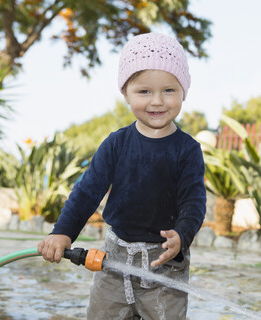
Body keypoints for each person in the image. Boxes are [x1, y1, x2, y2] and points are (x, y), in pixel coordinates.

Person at [37, 32, 207, 320]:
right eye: (144, 91)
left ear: (183, 92)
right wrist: (63, 232)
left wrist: (182, 234)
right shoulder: (116, 143)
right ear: (126, 93)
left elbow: (194, 201)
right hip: (115, 260)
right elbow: (87, 191)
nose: (157, 101)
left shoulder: (187, 150)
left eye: (169, 90)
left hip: (164, 263)